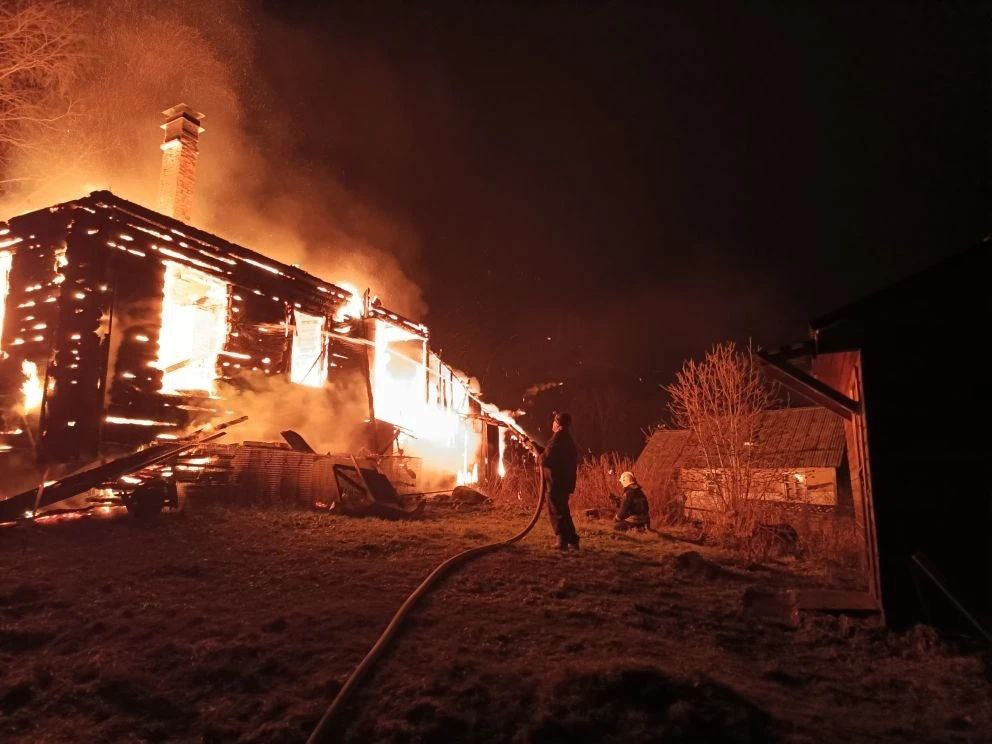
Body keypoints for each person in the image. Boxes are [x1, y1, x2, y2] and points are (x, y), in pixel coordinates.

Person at [537, 411, 579, 550]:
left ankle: (561, 541)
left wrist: (537, 457)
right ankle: (573, 540)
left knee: (557, 512)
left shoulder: (557, 438)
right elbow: (552, 454)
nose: (552, 424)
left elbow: (546, 459)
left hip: (555, 483)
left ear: (558, 424)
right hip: (564, 482)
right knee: (564, 511)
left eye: (554, 421)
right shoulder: (566, 438)